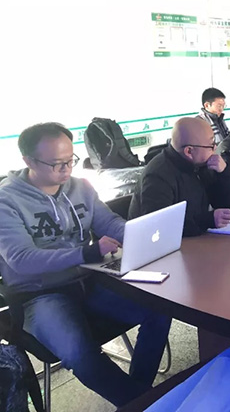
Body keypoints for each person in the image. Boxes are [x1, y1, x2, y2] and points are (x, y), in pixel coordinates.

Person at [0, 123, 171, 407]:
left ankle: (139, 397)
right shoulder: (7, 201)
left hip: (90, 281)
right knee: (80, 353)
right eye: (57, 164)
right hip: (39, 295)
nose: (66, 169)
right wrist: (86, 253)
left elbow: (108, 223)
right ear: (29, 161)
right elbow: (21, 259)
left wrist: (141, 236)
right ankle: (147, 403)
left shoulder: (80, 187)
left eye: (71, 160)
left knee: (160, 310)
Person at [129, 118, 230, 236]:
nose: (215, 148)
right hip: (164, 243)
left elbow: (224, 203)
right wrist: (208, 220)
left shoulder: (200, 164)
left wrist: (224, 173)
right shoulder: (158, 176)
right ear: (189, 151)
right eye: (211, 145)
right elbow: (160, 226)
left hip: (197, 238)